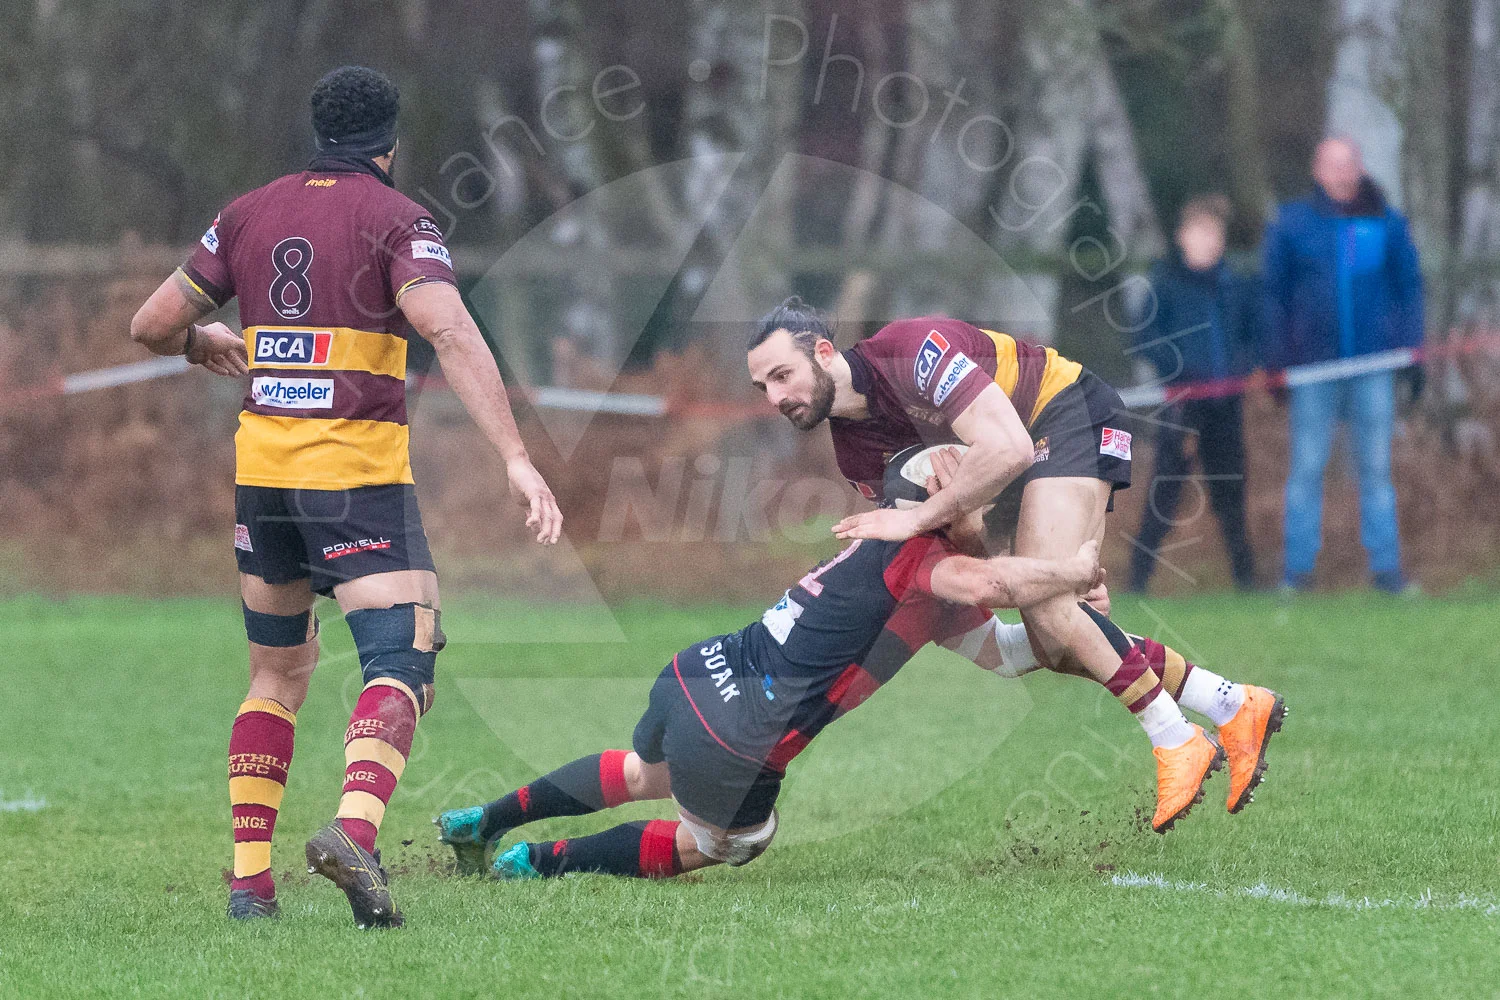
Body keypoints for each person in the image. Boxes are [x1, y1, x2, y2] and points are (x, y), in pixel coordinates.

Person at [128, 66, 562, 927]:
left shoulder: (246, 212)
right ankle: (356, 834)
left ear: (318, 132)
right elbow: (447, 327)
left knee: (276, 672)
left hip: (263, 481)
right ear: (390, 144)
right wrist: (516, 455)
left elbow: (150, 324)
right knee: (403, 659)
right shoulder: (397, 219)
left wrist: (200, 341)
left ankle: (251, 887)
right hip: (356, 482)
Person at [746, 300, 1282, 830]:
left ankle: (1175, 738)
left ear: (822, 351)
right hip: (1021, 470)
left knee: (1049, 610)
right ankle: (1231, 704)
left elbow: (1010, 448)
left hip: (1066, 407)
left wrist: (921, 517)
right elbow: (970, 546)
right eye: (762, 387)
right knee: (1053, 641)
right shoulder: (856, 456)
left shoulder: (910, 353)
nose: (774, 397)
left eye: (782, 375)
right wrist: (964, 534)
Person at [437, 492, 1108, 880]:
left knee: (647, 772)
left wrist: (1067, 626)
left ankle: (486, 821)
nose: (983, 506)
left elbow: (1006, 650)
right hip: (740, 737)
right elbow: (989, 584)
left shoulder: (876, 543)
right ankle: (536, 862)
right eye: (975, 491)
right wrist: (1073, 576)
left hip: (696, 670)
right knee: (724, 843)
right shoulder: (929, 568)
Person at [1262, 136, 1424, 594]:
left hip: (1374, 367)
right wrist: (1277, 360)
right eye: (1333, 165)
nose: (1342, 173)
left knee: (1375, 469)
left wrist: (1411, 351)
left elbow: (1409, 287)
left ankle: (1388, 572)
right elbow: (1272, 294)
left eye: (1349, 163)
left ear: (1359, 167)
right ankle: (1296, 574)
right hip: (1313, 372)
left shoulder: (1386, 222)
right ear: (1317, 170)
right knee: (1307, 469)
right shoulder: (1292, 225)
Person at [1128, 195, 1258, 592]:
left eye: (1213, 234)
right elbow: (1143, 335)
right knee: (1165, 491)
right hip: (1183, 405)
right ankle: (1138, 580)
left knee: (1230, 489)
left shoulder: (1234, 285)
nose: (1206, 242)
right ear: (1182, 238)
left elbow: (1254, 335)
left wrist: (1241, 367)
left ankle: (1246, 579)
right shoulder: (1165, 284)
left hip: (1225, 403)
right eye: (1199, 233)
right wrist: (1179, 367)